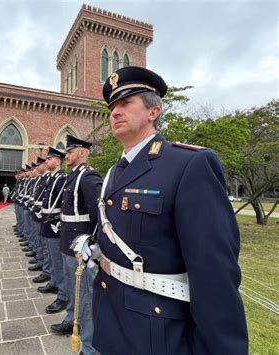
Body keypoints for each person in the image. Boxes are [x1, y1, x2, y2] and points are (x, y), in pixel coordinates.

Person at [77, 66, 248, 354]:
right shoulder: (113, 173)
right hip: (109, 320)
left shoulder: (187, 165)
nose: (115, 112)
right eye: (112, 107)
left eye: (126, 103)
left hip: (155, 334)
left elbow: (215, 275)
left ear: (153, 111)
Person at [51, 135, 102, 355]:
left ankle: (90, 347)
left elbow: (99, 215)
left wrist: (94, 244)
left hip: (80, 250)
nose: (66, 155)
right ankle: (73, 321)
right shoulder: (72, 177)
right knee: (75, 292)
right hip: (67, 244)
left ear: (82, 152)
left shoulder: (88, 177)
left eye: (70, 151)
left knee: (87, 298)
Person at [39, 147, 68, 314]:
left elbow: (64, 203)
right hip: (46, 220)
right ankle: (54, 282)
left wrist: (59, 222)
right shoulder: (51, 179)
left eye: (49, 159)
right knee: (50, 254)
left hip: (54, 223)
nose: (47, 162)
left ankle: (62, 292)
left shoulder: (61, 179)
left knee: (57, 259)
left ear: (57, 160)